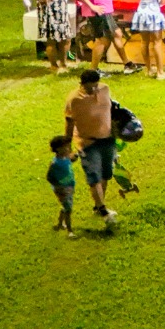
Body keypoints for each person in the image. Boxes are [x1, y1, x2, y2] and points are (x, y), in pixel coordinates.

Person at [65, 69, 127, 227]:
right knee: (94, 177)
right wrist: (68, 148)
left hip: (107, 139)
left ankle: (99, 206)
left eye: (95, 86)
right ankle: (104, 210)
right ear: (82, 84)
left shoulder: (105, 89)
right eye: (89, 88)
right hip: (88, 143)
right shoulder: (74, 99)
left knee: (106, 174)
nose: (93, 90)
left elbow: (111, 109)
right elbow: (69, 123)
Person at [31, 0, 78, 75]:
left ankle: (63, 62)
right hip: (50, 15)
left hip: (62, 14)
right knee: (51, 40)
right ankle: (53, 65)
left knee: (66, 38)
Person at [129, 0, 165, 80]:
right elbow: (163, 1)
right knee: (157, 42)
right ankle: (160, 72)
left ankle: (148, 69)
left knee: (144, 42)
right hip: (154, 13)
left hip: (142, 12)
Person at [48, 134, 80, 234]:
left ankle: (59, 224)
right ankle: (70, 231)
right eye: (66, 147)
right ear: (57, 149)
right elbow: (49, 177)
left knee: (65, 206)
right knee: (68, 209)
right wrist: (59, 188)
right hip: (62, 189)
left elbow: (72, 159)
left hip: (69, 185)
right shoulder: (55, 163)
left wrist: (77, 155)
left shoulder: (65, 158)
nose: (68, 149)